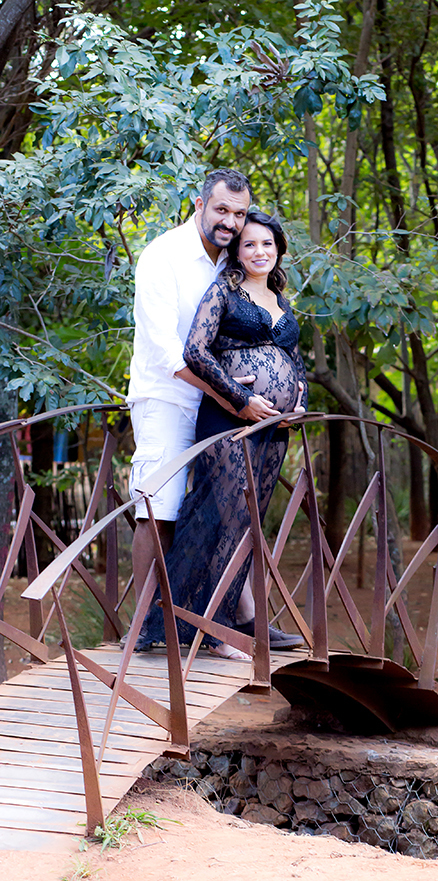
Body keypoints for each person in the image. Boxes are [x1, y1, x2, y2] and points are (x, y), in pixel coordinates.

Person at [138, 211, 307, 658]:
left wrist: (300, 398)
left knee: (248, 522)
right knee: (231, 520)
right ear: (237, 251)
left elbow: (293, 358)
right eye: (249, 244)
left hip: (274, 428)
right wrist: (237, 397)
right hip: (230, 422)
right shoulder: (223, 293)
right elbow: (195, 351)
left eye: (268, 244)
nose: (259, 252)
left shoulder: (281, 300)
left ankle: (224, 620)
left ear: (279, 250)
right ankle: (215, 630)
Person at [127, 167, 272, 600]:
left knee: (228, 510)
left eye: (240, 213)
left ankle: (231, 620)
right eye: (222, 209)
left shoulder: (237, 260)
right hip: (168, 398)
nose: (230, 221)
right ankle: (150, 629)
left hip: (224, 405)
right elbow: (167, 353)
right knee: (160, 508)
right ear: (199, 205)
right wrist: (231, 393)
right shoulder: (162, 256)